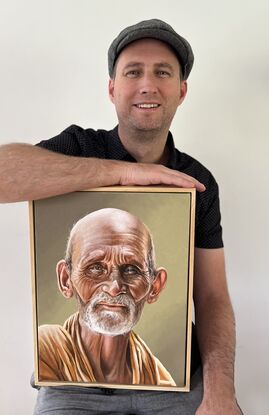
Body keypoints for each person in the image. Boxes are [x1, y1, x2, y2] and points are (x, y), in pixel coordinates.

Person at [0, 18, 243, 415]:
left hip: (178, 381)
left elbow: (213, 297)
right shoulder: (78, 147)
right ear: (113, 89)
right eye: (133, 72)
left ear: (181, 92)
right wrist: (124, 173)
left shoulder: (196, 182)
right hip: (71, 387)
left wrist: (220, 393)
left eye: (162, 72)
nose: (148, 84)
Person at [38, 208, 175, 387]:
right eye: (95, 268)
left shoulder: (160, 380)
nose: (114, 288)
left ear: (155, 287)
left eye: (131, 269)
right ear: (66, 280)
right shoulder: (45, 348)